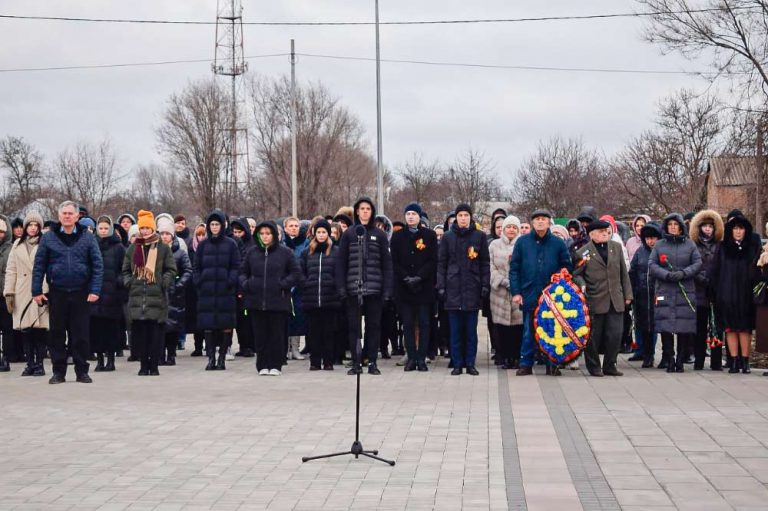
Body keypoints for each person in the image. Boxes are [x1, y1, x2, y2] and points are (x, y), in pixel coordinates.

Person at [32, 201, 103, 384]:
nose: (67, 216)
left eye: (71, 213)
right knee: (56, 334)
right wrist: (36, 291)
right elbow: (39, 265)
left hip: (81, 292)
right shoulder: (48, 238)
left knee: (80, 335)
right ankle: (58, 372)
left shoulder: (87, 237)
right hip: (57, 292)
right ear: (59, 215)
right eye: (64, 213)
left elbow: (97, 265)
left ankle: (81, 371)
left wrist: (95, 289)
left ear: (78, 216)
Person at [510, 209, 573, 376]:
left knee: (552, 330)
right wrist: (516, 292)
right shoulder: (522, 242)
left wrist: (562, 275)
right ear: (532, 222)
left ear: (549, 222)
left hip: (552, 295)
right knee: (528, 332)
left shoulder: (557, 243)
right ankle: (526, 363)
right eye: (537, 219)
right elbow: (514, 269)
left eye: (543, 219)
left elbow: (566, 265)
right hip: (529, 292)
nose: (540, 222)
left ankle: (552, 363)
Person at [335, 197, 393, 376]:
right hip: (354, 289)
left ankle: (372, 361)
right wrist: (342, 289)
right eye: (362, 208)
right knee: (354, 327)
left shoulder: (380, 235)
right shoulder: (349, 234)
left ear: (372, 211)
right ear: (357, 211)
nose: (365, 211)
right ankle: (356, 361)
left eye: (368, 208)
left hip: (375, 289)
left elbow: (387, 265)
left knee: (373, 326)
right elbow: (341, 263)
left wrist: (387, 291)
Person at [240, 221, 301, 375]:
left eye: (268, 233)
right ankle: (262, 365)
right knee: (260, 336)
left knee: (276, 335)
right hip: (256, 301)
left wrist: (283, 284)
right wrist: (248, 284)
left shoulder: (285, 252)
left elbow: (295, 273)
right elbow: (242, 272)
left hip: (278, 301)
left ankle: (275, 364)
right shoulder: (252, 252)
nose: (265, 237)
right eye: (262, 234)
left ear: (274, 235)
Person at [573, 220, 633, 377]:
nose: (605, 233)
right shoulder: (583, 252)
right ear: (592, 234)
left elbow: (623, 274)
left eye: (606, 231)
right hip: (595, 298)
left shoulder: (617, 248)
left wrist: (628, 295)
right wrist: (582, 285)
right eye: (601, 231)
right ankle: (594, 366)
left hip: (615, 298)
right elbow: (577, 274)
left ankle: (610, 365)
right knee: (594, 337)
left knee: (615, 334)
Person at [437, 203, 490, 376]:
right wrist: (441, 286)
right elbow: (442, 264)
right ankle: (457, 363)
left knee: (470, 331)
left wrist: (484, 284)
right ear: (455, 218)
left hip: (472, 289)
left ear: (470, 217)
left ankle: (470, 363)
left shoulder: (479, 236)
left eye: (466, 215)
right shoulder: (447, 237)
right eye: (460, 215)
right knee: (455, 331)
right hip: (453, 289)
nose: (463, 218)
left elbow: (484, 263)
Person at [123, 210, 177, 376]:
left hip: (156, 297)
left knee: (155, 336)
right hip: (137, 298)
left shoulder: (162, 248)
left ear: (153, 229)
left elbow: (171, 269)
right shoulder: (133, 248)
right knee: (140, 335)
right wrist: (129, 282)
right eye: (142, 228)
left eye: (148, 228)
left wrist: (163, 282)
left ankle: (154, 366)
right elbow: (125, 270)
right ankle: (143, 365)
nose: (145, 231)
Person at [648, 213, 702, 373]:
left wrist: (684, 273)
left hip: (684, 289)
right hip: (665, 288)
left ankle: (680, 360)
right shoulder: (659, 245)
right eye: (670, 224)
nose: (672, 227)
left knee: (683, 326)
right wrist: (665, 274)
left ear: (680, 227)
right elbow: (652, 263)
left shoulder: (690, 245)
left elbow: (698, 262)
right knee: (665, 326)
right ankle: (669, 359)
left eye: (675, 224)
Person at [391, 202, 438, 372]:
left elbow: (433, 260)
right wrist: (406, 277)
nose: (411, 216)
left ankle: (421, 358)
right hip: (405, 288)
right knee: (408, 324)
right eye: (408, 213)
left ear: (420, 216)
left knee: (425, 323)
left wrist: (419, 277)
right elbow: (394, 261)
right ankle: (411, 357)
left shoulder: (429, 235)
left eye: (414, 214)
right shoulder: (397, 236)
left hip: (424, 287)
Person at [711, 215, 759, 374]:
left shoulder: (752, 248)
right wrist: (714, 292)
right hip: (726, 294)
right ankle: (733, 360)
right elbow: (715, 271)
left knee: (745, 329)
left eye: (741, 228)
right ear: (730, 231)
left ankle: (745, 361)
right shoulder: (722, 247)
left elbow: (757, 273)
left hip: (746, 294)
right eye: (735, 228)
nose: (738, 232)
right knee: (730, 328)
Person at [4, 211, 49, 376]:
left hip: (40, 290)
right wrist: (9, 292)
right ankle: (29, 363)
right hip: (21, 290)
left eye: (36, 225)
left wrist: (47, 290)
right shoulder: (17, 245)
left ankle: (40, 364)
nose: (32, 228)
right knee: (25, 330)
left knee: (39, 329)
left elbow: (49, 268)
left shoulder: (46, 243)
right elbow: (11, 270)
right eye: (29, 224)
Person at [194, 210, 240, 371]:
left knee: (225, 325)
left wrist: (230, 281)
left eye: (217, 224)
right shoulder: (203, 245)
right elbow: (196, 266)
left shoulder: (231, 244)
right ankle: (211, 358)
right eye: (212, 224)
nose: (214, 227)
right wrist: (199, 282)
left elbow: (235, 266)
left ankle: (222, 358)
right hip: (206, 291)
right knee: (209, 325)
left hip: (225, 291)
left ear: (222, 225)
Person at [300, 219, 341, 371]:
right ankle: (315, 361)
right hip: (311, 299)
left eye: (324, 232)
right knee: (313, 333)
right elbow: (300, 272)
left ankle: (328, 361)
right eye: (319, 232)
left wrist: (335, 287)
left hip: (329, 298)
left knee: (329, 332)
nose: (321, 235)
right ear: (314, 233)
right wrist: (306, 283)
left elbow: (339, 273)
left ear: (328, 233)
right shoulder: (307, 252)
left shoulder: (336, 252)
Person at [689, 209, 724, 371]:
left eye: (711, 226)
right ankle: (699, 360)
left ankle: (716, 361)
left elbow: (723, 266)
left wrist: (715, 281)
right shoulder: (694, 245)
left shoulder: (720, 246)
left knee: (716, 327)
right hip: (699, 291)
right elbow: (692, 266)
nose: (708, 229)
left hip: (716, 291)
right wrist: (703, 279)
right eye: (705, 226)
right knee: (700, 328)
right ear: (699, 227)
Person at [90, 216, 126, 372]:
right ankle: (99, 359)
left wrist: (118, 282)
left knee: (111, 329)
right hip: (95, 293)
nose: (103, 231)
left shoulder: (118, 247)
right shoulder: (91, 245)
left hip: (112, 294)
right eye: (101, 228)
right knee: (97, 329)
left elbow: (125, 269)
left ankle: (110, 360)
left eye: (106, 228)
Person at [157, 215, 192, 366]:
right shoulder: (154, 250)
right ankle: (160, 354)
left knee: (172, 326)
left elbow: (188, 270)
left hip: (175, 294)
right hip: (158, 293)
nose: (164, 237)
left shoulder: (180, 253)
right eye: (162, 233)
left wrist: (179, 284)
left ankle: (171, 354)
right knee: (160, 325)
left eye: (167, 234)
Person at [489, 215, 523, 369]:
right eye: (508, 227)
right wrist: (502, 280)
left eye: (514, 227)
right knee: (502, 328)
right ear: (503, 229)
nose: (511, 230)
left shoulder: (523, 244)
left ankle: (517, 357)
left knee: (518, 328)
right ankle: (505, 357)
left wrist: (516, 283)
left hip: (518, 292)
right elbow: (489, 267)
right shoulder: (494, 245)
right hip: (500, 293)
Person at [629, 222, 662, 368]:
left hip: (658, 294)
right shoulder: (640, 252)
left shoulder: (662, 251)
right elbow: (633, 272)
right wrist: (632, 291)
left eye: (653, 238)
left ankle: (653, 354)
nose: (651, 241)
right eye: (648, 238)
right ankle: (645, 354)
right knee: (643, 325)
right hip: (641, 294)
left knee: (655, 325)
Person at [283, 216, 308, 361]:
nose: (294, 228)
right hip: (285, 286)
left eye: (296, 226)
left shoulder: (304, 244)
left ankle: (295, 348)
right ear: (285, 228)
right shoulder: (282, 243)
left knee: (297, 317)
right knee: (285, 317)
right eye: (291, 226)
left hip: (299, 287)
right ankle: (285, 348)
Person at [231, 217, 256, 358]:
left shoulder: (252, 245)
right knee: (240, 320)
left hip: (249, 288)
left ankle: (251, 346)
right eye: (235, 231)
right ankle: (243, 345)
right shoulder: (233, 244)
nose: (237, 234)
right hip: (236, 287)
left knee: (249, 319)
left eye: (240, 231)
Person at [0, 214, 14, 371]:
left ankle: (6, 358)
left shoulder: (11, 249)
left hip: (6, 295)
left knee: (7, 328)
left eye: (1, 231)